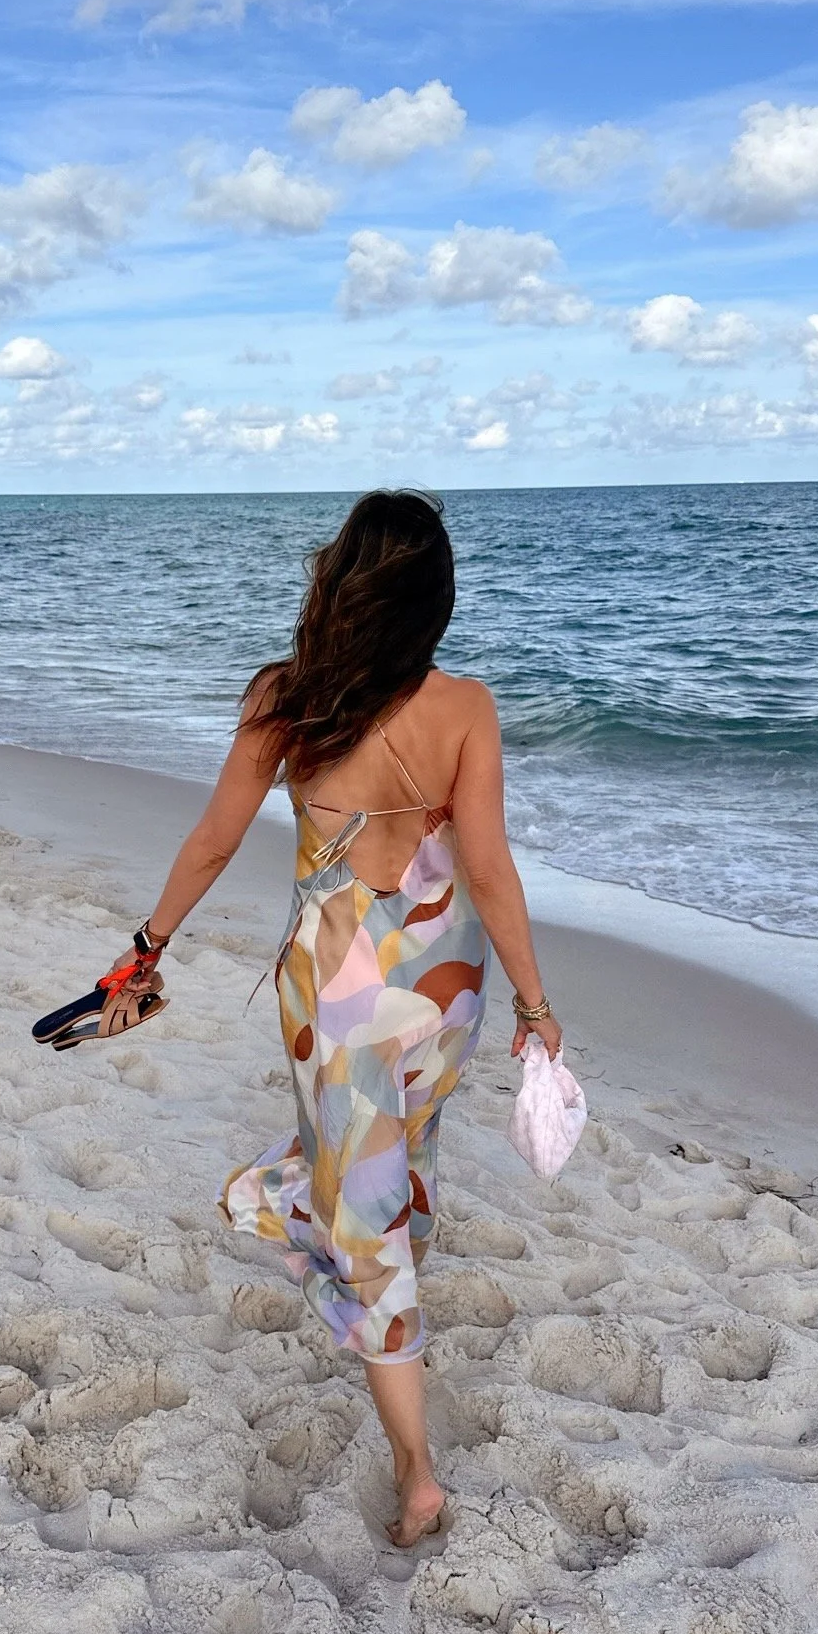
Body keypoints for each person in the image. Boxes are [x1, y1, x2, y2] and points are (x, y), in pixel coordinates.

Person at [104, 489, 564, 1548]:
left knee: (366, 1202)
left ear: (339, 580)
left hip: (338, 989)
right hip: (444, 984)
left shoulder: (287, 697)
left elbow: (215, 840)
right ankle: (363, 1265)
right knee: (399, 1165)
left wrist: (147, 947)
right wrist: (536, 1005)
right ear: (435, 599)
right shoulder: (466, 707)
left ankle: (416, 1472)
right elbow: (488, 868)